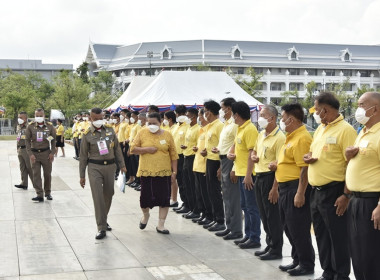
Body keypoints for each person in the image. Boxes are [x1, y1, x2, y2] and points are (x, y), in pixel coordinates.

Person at [304, 92, 356, 280]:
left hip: (335, 191)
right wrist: (308, 157)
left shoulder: (346, 130)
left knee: (338, 236)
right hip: (316, 192)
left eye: (317, 110)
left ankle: (341, 275)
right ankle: (328, 272)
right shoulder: (321, 129)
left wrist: (346, 195)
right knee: (321, 235)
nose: (315, 114)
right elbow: (313, 152)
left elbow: (351, 164)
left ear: (325, 110)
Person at [275, 103, 315, 276]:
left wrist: (300, 192)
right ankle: (297, 259)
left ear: (291, 119)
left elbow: (304, 169)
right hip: (285, 188)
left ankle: (306, 264)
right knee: (288, 227)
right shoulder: (290, 137)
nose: (281, 121)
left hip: (294, 188)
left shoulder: (302, 138)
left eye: (282, 118)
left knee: (298, 228)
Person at [345, 92, 380, 280]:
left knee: (371, 254)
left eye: (361, 104)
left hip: (371, 202)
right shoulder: (363, 132)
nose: (358, 109)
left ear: (374, 109)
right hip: (356, 200)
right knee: (357, 254)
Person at [79, 107, 126, 240]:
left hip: (110, 167)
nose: (99, 121)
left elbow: (117, 149)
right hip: (94, 167)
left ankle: (103, 219)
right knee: (98, 197)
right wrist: (82, 175)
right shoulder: (87, 134)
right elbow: (83, 157)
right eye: (96, 119)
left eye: (101, 118)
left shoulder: (110, 130)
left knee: (109, 194)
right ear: (90, 118)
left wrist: (122, 165)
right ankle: (101, 227)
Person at [130, 112, 178, 234]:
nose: (151, 126)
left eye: (154, 123)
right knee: (145, 199)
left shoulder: (167, 135)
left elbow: (173, 154)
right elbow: (132, 149)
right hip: (147, 171)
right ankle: (145, 216)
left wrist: (174, 172)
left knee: (164, 199)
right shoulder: (142, 132)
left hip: (164, 172)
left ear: (160, 122)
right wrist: (146, 149)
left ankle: (161, 225)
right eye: (149, 123)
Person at [251, 105, 285, 260]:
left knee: (272, 216)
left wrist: (275, 188)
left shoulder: (280, 138)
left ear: (272, 118)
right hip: (259, 175)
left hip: (270, 178)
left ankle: (276, 249)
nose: (260, 118)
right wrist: (254, 156)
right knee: (264, 214)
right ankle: (269, 244)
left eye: (264, 115)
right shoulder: (261, 134)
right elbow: (254, 151)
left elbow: (280, 164)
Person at [227, 101, 261, 249]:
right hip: (240, 172)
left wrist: (248, 175)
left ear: (237, 114)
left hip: (248, 174)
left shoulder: (250, 129)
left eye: (233, 114)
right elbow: (236, 149)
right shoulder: (240, 129)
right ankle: (248, 235)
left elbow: (251, 153)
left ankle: (254, 237)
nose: (232, 117)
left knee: (252, 207)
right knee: (245, 206)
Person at [212, 97, 243, 240]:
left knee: (233, 197)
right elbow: (224, 144)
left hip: (231, 161)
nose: (221, 111)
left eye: (222, 108)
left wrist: (234, 168)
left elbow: (236, 145)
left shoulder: (235, 124)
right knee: (226, 195)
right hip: (223, 159)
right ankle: (229, 226)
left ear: (229, 109)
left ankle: (236, 230)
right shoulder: (226, 124)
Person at [201, 100, 225, 232]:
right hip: (209, 159)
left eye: (205, 111)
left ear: (210, 112)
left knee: (215, 192)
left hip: (216, 161)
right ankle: (215, 218)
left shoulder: (219, 126)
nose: (205, 114)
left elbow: (223, 146)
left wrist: (221, 166)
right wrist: (205, 151)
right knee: (210, 190)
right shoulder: (210, 126)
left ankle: (220, 220)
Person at [25, 108, 56, 202]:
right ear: (35, 116)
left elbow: (54, 140)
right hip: (34, 154)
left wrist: (52, 153)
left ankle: (48, 193)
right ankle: (39, 194)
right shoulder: (30, 126)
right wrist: (30, 154)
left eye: (40, 115)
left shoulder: (50, 126)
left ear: (44, 115)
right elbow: (26, 141)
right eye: (37, 116)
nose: (38, 117)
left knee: (47, 174)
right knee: (36, 174)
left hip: (46, 154)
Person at [192, 109, 213, 225]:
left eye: (200, 116)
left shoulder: (209, 129)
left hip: (205, 165)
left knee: (206, 194)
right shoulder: (201, 130)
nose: (199, 118)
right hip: (197, 164)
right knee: (199, 192)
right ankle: (203, 213)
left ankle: (209, 215)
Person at [181, 108, 201, 219]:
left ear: (193, 117)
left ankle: (196, 209)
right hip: (186, 156)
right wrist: (185, 146)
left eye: (188, 116)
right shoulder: (189, 128)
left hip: (193, 158)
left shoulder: (198, 129)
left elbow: (198, 145)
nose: (187, 118)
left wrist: (194, 149)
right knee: (187, 184)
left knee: (193, 186)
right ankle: (189, 206)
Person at [172, 105, 190, 214]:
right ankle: (184, 202)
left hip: (184, 155)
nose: (179, 116)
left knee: (185, 181)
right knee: (180, 180)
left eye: (181, 114)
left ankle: (188, 204)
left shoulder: (187, 126)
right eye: (178, 114)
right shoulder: (176, 126)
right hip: (176, 156)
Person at [15, 111, 33, 190]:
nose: (19, 119)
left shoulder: (29, 127)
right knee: (22, 168)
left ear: (25, 118)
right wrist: (17, 148)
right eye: (19, 117)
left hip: (27, 149)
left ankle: (36, 186)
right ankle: (24, 183)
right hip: (20, 149)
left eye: (21, 117)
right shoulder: (18, 126)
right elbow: (18, 138)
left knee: (30, 168)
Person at [164, 110, 179, 207]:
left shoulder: (175, 128)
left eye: (165, 119)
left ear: (170, 119)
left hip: (174, 155)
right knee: (168, 177)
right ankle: (168, 197)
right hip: (166, 155)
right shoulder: (167, 128)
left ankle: (174, 199)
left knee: (173, 178)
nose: (163, 120)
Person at [111, 112, 121, 180]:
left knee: (118, 160)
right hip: (112, 144)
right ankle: (115, 172)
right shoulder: (113, 125)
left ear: (118, 118)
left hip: (118, 144)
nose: (113, 119)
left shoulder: (120, 125)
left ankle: (118, 173)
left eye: (115, 118)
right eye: (113, 118)